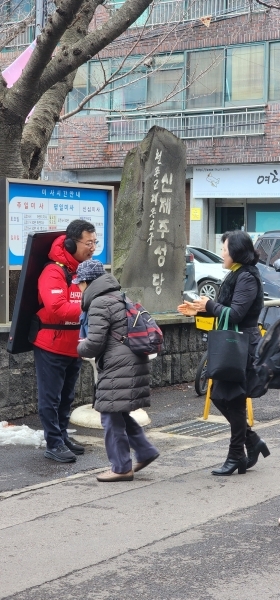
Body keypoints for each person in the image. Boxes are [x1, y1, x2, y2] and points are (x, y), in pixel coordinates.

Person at [178, 230, 270, 476]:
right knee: (220, 396)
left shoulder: (248, 276)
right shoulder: (237, 273)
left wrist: (208, 305)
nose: (221, 253)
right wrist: (198, 310)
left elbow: (237, 314)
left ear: (236, 252)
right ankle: (251, 441)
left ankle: (237, 455)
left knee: (233, 400)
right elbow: (225, 310)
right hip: (231, 344)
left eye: (224, 249)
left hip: (242, 346)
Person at [74, 259, 159, 482]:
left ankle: (121, 467)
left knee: (110, 415)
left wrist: (78, 346)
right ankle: (145, 451)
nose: (78, 288)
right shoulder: (118, 295)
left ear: (86, 282)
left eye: (79, 283)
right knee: (118, 412)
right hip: (130, 360)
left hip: (118, 364)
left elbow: (95, 343)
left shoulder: (99, 302)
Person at [32, 219, 98, 463]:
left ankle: (62, 434)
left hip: (75, 345)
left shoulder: (81, 270)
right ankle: (53, 442)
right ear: (71, 244)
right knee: (51, 397)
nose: (92, 247)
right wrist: (88, 305)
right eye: (88, 243)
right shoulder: (53, 271)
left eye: (95, 242)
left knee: (67, 396)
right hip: (51, 344)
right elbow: (57, 307)